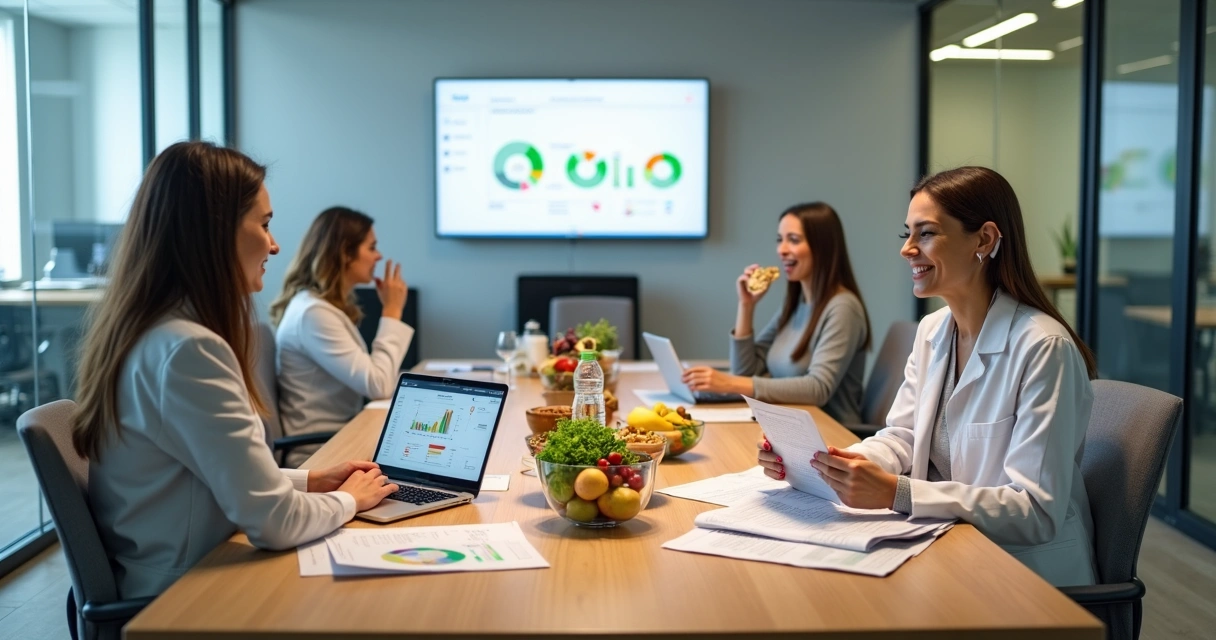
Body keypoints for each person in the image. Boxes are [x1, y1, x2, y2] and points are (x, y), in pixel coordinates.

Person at [71, 142, 397, 598]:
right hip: (184, 596)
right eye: (264, 225)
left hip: (176, 568)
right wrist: (350, 500)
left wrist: (311, 480)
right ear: (214, 232)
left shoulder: (152, 333)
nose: (275, 243)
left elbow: (198, 473)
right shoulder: (189, 351)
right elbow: (275, 523)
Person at [759, 167, 1098, 587]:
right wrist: (832, 463)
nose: (907, 249)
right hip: (947, 549)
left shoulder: (1044, 348)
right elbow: (902, 436)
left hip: (1025, 576)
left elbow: (1035, 512)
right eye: (907, 234)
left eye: (926, 234)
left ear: (985, 240)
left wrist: (897, 493)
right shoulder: (934, 331)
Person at [683, 202, 871, 424]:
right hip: (790, 423)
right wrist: (746, 306)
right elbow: (746, 371)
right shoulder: (796, 304)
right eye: (780, 239)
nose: (781, 250)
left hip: (831, 434)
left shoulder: (843, 308)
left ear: (822, 247)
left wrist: (729, 384)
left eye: (793, 240)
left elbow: (818, 388)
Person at [270, 207, 413, 467]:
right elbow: (378, 385)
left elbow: (374, 379)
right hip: (321, 453)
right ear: (346, 253)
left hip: (342, 437)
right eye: (371, 248)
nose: (378, 256)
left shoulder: (319, 307)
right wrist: (392, 310)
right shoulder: (313, 314)